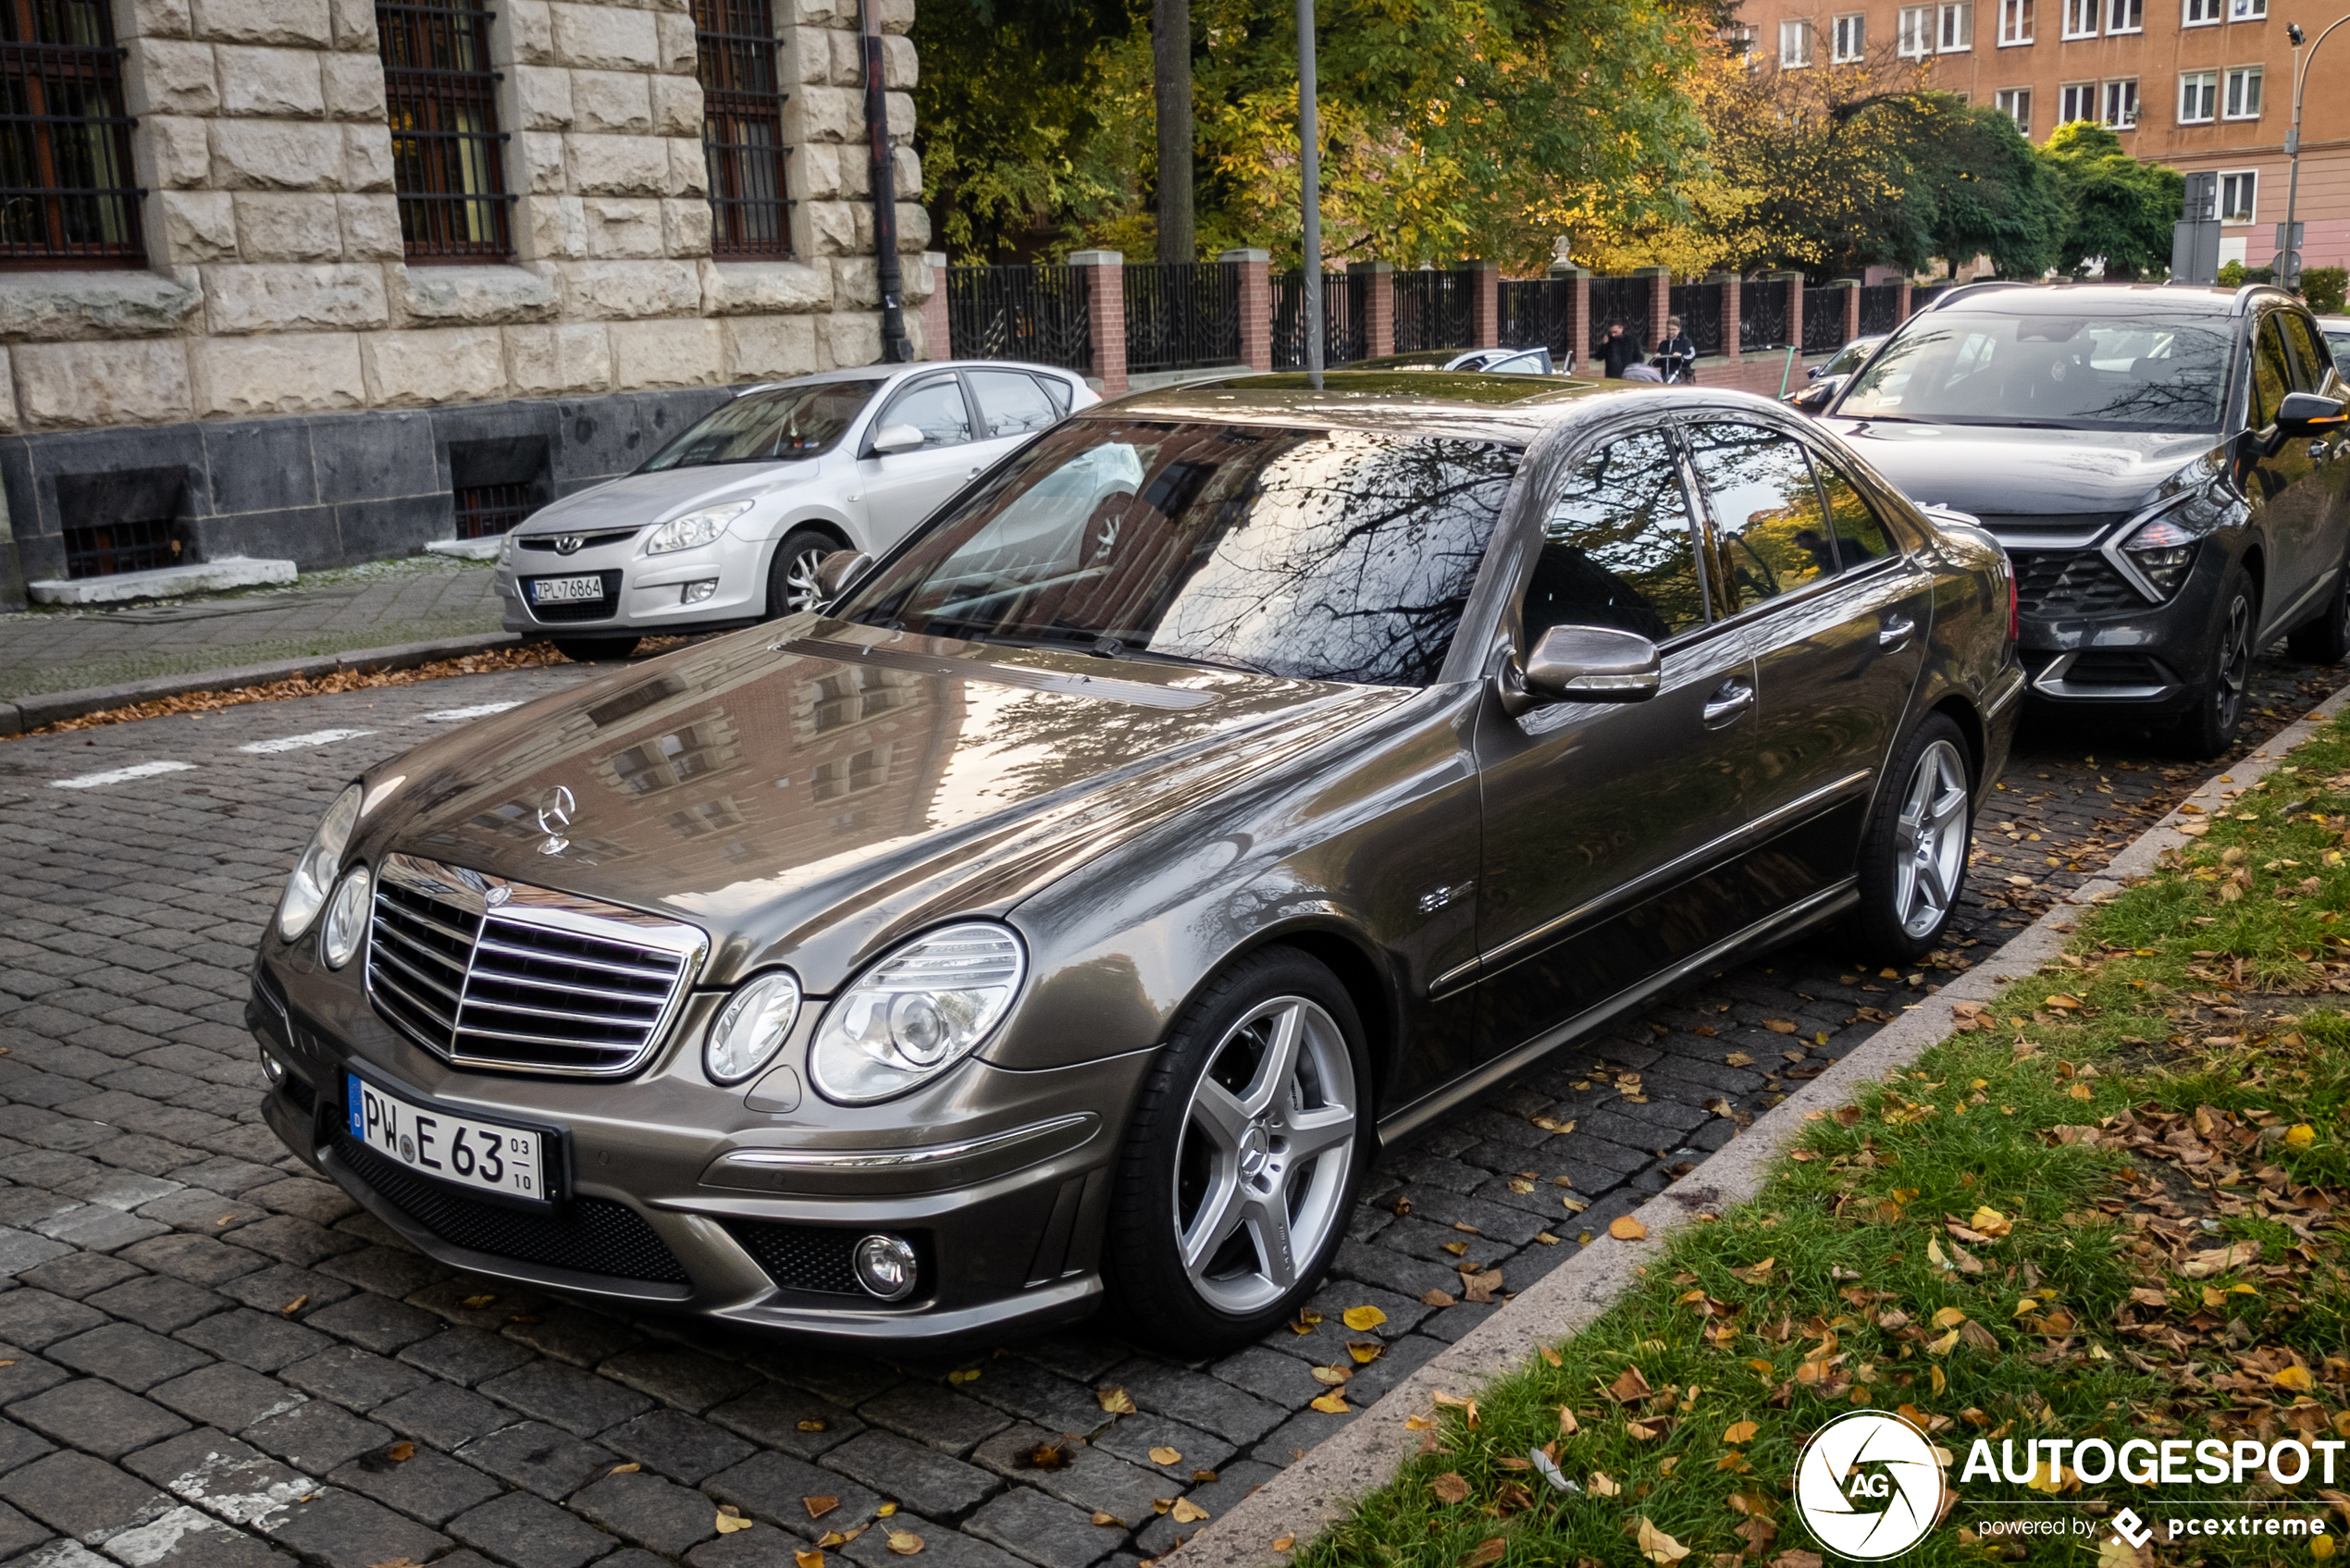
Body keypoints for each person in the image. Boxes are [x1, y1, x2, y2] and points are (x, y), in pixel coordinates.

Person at [1652, 315, 1698, 384]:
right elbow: (1658, 363)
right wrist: (1657, 357)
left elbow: (1692, 356)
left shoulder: (1685, 342)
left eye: (1674, 329)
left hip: (1681, 378)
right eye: (1669, 329)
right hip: (1665, 378)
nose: (1671, 332)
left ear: (1679, 329)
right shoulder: (1663, 344)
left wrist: (1681, 356)